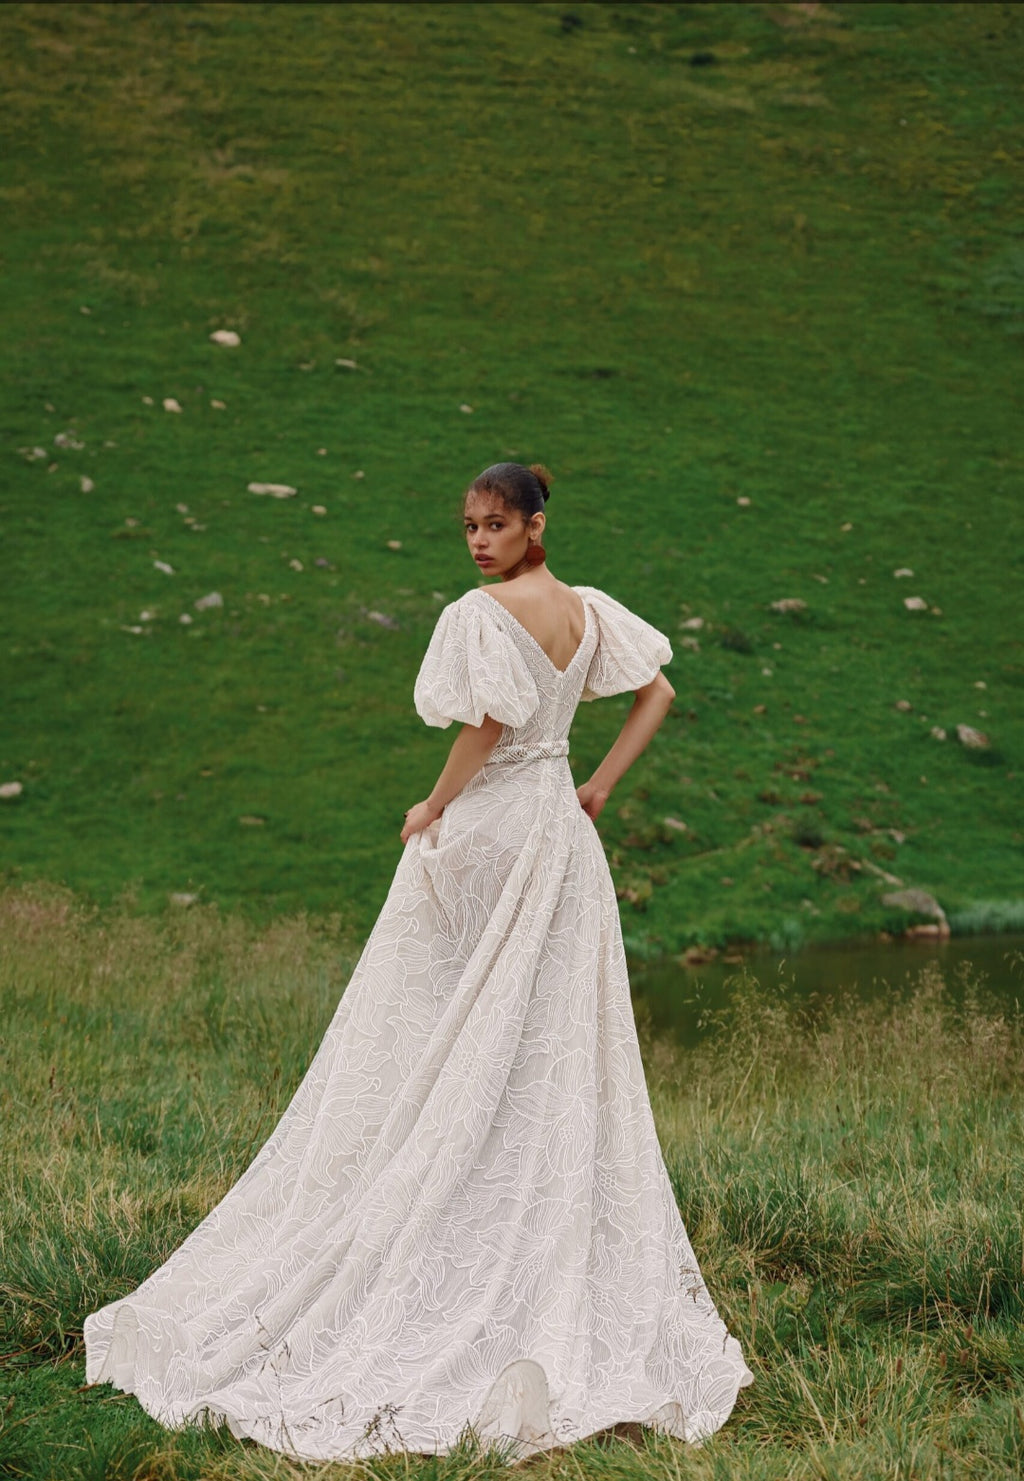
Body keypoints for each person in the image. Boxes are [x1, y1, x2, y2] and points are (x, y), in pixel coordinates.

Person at [84, 461, 753, 1462]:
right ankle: (494, 1209)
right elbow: (655, 693)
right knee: (536, 1041)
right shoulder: (587, 610)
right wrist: (596, 789)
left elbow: (486, 726)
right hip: (562, 841)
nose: (479, 540)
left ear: (536, 523)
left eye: (496, 523)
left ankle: (435, 1205)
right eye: (469, 526)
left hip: (495, 828)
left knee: (440, 1025)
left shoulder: (485, 616)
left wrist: (434, 807)